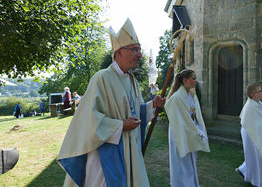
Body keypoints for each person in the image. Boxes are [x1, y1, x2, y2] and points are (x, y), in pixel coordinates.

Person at [57, 18, 165, 187]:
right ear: (119, 52)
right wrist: (120, 125)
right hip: (104, 155)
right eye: (135, 49)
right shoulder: (101, 78)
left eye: (140, 49)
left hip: (129, 149)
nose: (140, 55)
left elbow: (136, 112)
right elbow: (88, 118)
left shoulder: (132, 80)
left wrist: (153, 106)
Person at [164, 69, 210, 187]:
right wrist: (196, 130)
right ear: (185, 80)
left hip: (191, 131)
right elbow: (179, 119)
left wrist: (198, 129)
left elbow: (196, 115)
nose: (195, 81)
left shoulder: (190, 94)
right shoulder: (177, 97)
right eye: (193, 79)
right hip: (179, 133)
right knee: (181, 162)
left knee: (190, 162)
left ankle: (191, 183)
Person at [235, 83, 262, 187]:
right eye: (260, 91)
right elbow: (259, 126)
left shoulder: (258, 103)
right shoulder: (251, 106)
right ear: (253, 95)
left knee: (255, 157)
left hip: (255, 132)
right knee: (259, 158)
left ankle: (244, 171)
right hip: (252, 134)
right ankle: (261, 183)